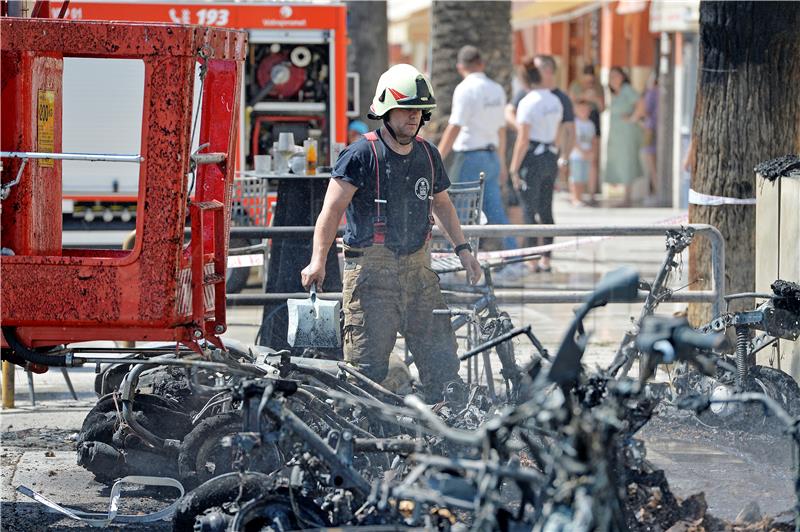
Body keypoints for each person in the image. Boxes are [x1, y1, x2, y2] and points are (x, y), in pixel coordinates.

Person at [300, 64, 481, 403]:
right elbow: (331, 211)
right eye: (406, 109)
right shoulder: (359, 155)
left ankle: (445, 435)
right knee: (365, 374)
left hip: (418, 272)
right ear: (386, 110)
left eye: (418, 111)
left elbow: (442, 206)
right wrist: (317, 261)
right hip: (371, 276)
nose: (413, 117)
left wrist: (464, 250)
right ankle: (369, 447)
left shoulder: (428, 155)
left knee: (442, 366)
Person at [437, 45, 518, 255]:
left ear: (459, 67)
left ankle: (450, 256)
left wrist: (436, 157)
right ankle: (514, 256)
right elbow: (501, 129)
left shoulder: (465, 89)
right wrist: (501, 161)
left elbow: (455, 126)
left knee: (454, 210)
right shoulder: (496, 89)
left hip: (470, 157)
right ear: (481, 64)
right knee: (496, 211)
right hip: (491, 155)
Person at [508, 65, 563, 273]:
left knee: (529, 209)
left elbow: (523, 138)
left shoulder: (528, 102)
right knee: (547, 208)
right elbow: (558, 132)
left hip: (533, 157)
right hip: (550, 154)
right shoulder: (555, 101)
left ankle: (531, 258)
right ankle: (546, 258)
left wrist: (514, 167)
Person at [533, 55, 575, 189]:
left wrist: (564, 156)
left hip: (550, 155)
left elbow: (571, 130)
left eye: (535, 69)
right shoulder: (529, 94)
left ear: (548, 71)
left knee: (545, 203)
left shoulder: (562, 98)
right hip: (529, 154)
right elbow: (510, 111)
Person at [604, 66, 642, 206]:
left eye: (615, 76)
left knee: (627, 161)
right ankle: (623, 195)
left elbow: (641, 105)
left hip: (626, 133)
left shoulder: (627, 90)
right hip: (616, 134)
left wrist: (632, 118)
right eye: (610, 76)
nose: (612, 79)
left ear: (622, 77)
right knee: (618, 160)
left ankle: (627, 197)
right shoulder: (615, 93)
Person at [569, 99, 598, 206]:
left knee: (583, 177)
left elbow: (593, 140)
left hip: (587, 155)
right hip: (576, 155)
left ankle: (580, 197)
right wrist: (582, 151)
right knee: (576, 178)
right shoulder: (575, 123)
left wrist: (591, 152)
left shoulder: (590, 124)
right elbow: (572, 139)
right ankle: (575, 197)